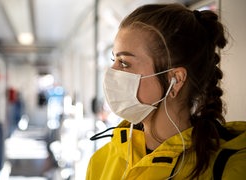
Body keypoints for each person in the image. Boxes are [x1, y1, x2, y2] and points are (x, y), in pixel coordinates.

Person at [86, 3, 246, 180]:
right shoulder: (100, 162)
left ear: (175, 80)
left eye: (124, 63)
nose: (111, 72)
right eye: (113, 59)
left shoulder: (231, 168)